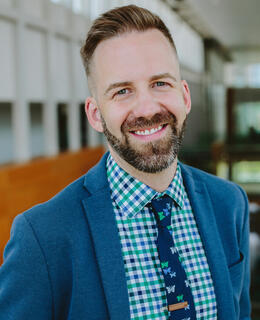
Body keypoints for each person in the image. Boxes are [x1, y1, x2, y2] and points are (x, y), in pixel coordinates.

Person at [0, 5, 250, 320]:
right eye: (122, 91)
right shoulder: (42, 237)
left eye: (160, 83)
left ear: (184, 96)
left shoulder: (229, 204)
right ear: (95, 114)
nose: (146, 108)